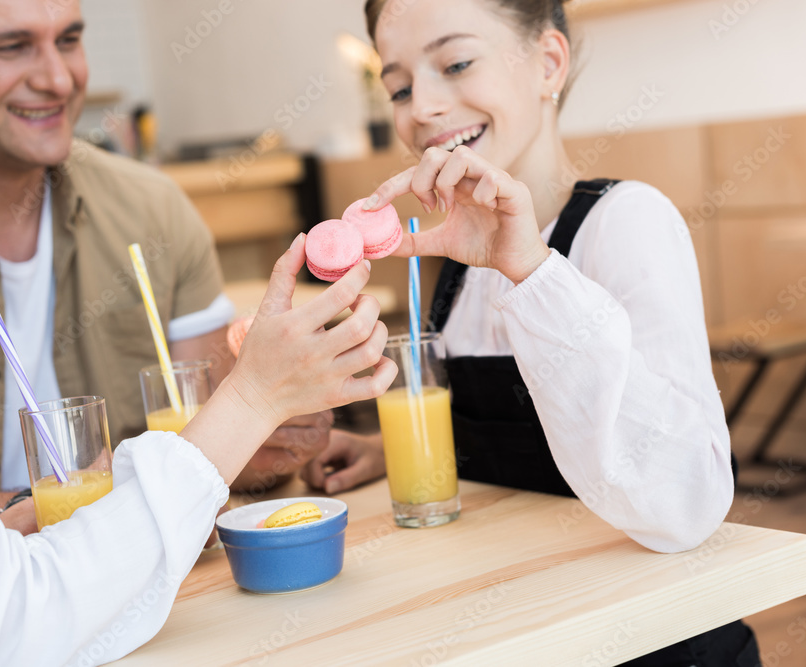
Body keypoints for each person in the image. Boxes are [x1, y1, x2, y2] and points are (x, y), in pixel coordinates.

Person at [0, 0, 395, 663]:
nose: (58, 77)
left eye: (69, 39)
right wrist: (240, 411)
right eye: (10, 47)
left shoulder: (150, 212)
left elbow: (221, 446)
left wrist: (263, 432)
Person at [302, 0, 760, 664]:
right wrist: (407, 449)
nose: (420, 107)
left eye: (456, 62)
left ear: (548, 64)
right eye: (398, 86)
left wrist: (533, 270)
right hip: (532, 627)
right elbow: (517, 439)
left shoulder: (626, 222)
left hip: (654, 640)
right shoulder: (461, 259)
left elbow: (685, 500)